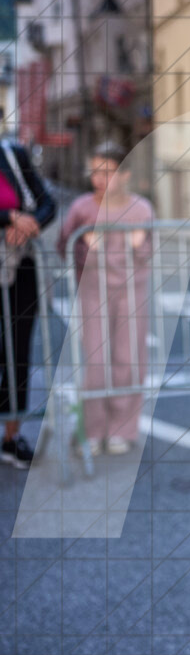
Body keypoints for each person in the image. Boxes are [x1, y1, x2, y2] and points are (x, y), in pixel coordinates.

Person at [58, 142, 153, 456]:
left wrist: (139, 244)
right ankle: (93, 429)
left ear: (125, 175)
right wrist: (84, 246)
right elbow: (63, 245)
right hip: (93, 291)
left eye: (108, 172)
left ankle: (121, 429)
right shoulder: (82, 208)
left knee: (129, 359)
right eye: (95, 172)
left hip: (131, 293)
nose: (99, 179)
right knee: (97, 361)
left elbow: (150, 251)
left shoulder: (141, 209)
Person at [0, 137, 55, 469]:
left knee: (17, 353)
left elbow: (48, 203)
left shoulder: (13, 154)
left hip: (20, 266)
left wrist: (29, 224)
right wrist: (9, 218)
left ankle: (11, 437)